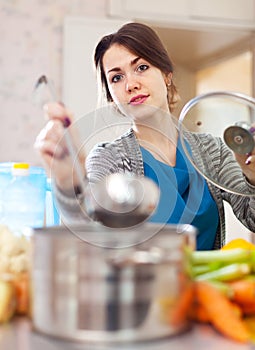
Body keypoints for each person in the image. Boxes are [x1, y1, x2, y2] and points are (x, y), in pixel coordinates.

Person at [35, 22, 255, 250]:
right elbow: (88, 235)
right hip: (142, 286)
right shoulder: (109, 157)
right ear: (112, 96)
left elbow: (252, 218)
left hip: (208, 286)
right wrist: (69, 183)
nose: (131, 84)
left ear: (166, 75)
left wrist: (252, 176)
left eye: (141, 67)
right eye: (116, 78)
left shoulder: (213, 151)